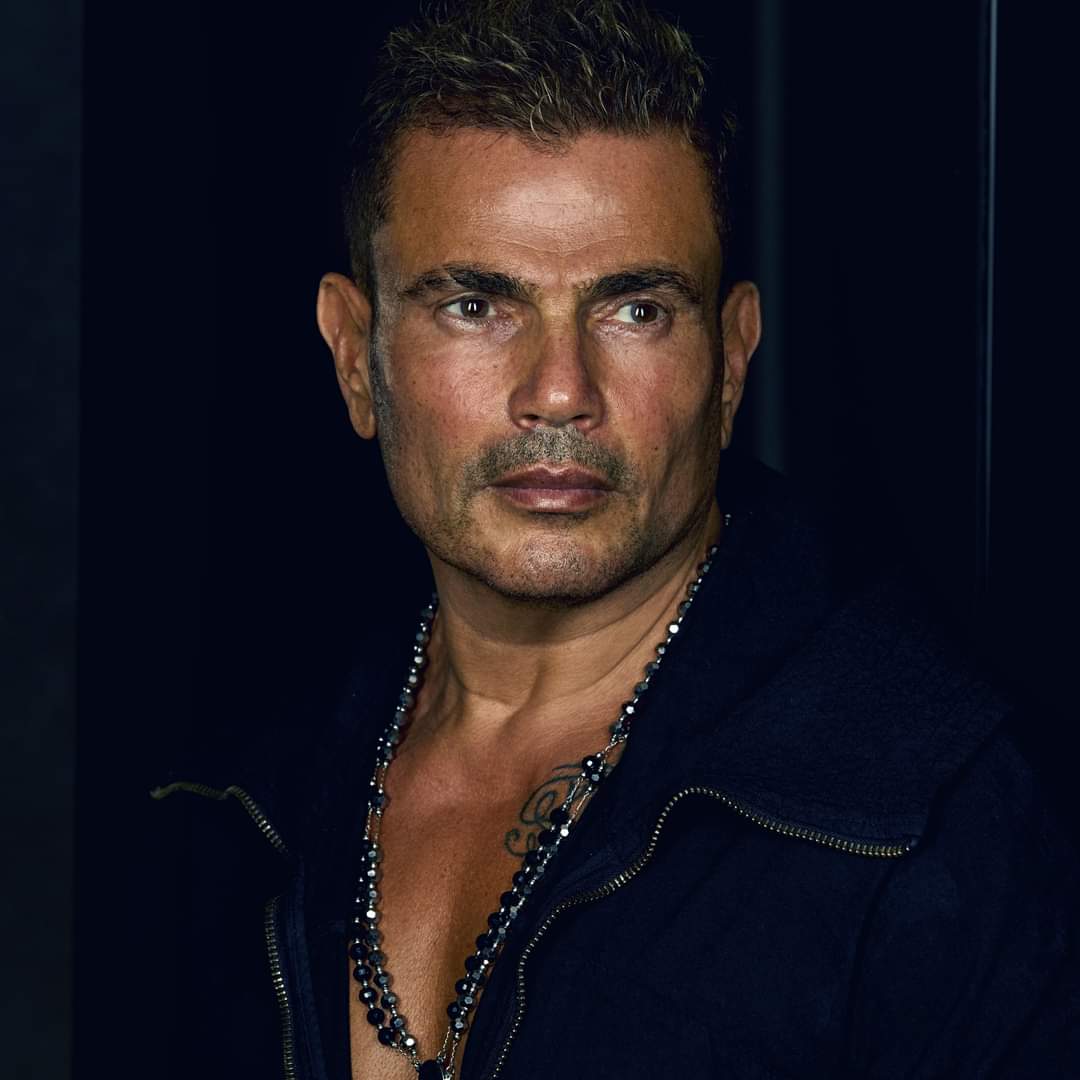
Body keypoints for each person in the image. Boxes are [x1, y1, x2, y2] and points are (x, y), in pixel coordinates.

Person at [152, 1, 1079, 1077]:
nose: (560, 392)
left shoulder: (930, 814)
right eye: (475, 306)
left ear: (730, 363)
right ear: (356, 357)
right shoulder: (227, 789)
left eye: (635, 310)